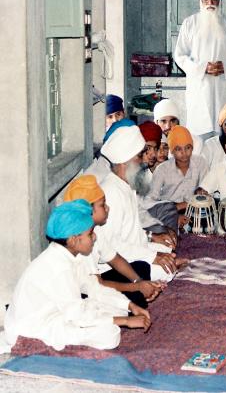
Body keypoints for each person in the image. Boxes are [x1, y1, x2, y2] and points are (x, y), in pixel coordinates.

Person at [4, 200, 151, 352]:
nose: (94, 238)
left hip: (59, 314)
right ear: (73, 240)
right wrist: (126, 321)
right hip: (34, 328)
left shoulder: (70, 256)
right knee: (109, 334)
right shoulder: (58, 267)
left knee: (115, 310)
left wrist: (129, 306)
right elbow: (77, 314)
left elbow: (96, 288)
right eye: (90, 234)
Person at [97, 124, 181, 281]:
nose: (144, 160)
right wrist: (152, 256)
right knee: (166, 269)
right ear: (124, 162)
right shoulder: (110, 192)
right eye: (139, 156)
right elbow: (110, 246)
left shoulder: (126, 185)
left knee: (167, 249)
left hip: (131, 251)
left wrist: (152, 237)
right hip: (112, 265)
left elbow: (130, 233)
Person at [64, 175, 162, 308]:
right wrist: (136, 287)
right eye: (102, 204)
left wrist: (139, 280)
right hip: (85, 293)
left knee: (141, 267)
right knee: (134, 297)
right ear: (89, 212)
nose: (108, 208)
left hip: (97, 282)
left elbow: (115, 259)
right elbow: (97, 286)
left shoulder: (97, 229)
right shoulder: (81, 241)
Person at [174, 0, 226, 139]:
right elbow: (179, 55)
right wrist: (202, 68)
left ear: (220, 0)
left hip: (223, 87)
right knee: (199, 136)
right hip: (199, 88)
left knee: (224, 134)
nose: (210, 2)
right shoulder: (189, 24)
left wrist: (225, 67)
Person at [148, 125, 208, 227]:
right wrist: (175, 210)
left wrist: (203, 191)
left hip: (196, 212)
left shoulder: (200, 163)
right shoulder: (162, 169)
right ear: (171, 151)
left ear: (192, 147)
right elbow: (151, 203)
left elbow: (207, 191)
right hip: (168, 213)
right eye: (178, 149)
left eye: (187, 147)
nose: (184, 153)